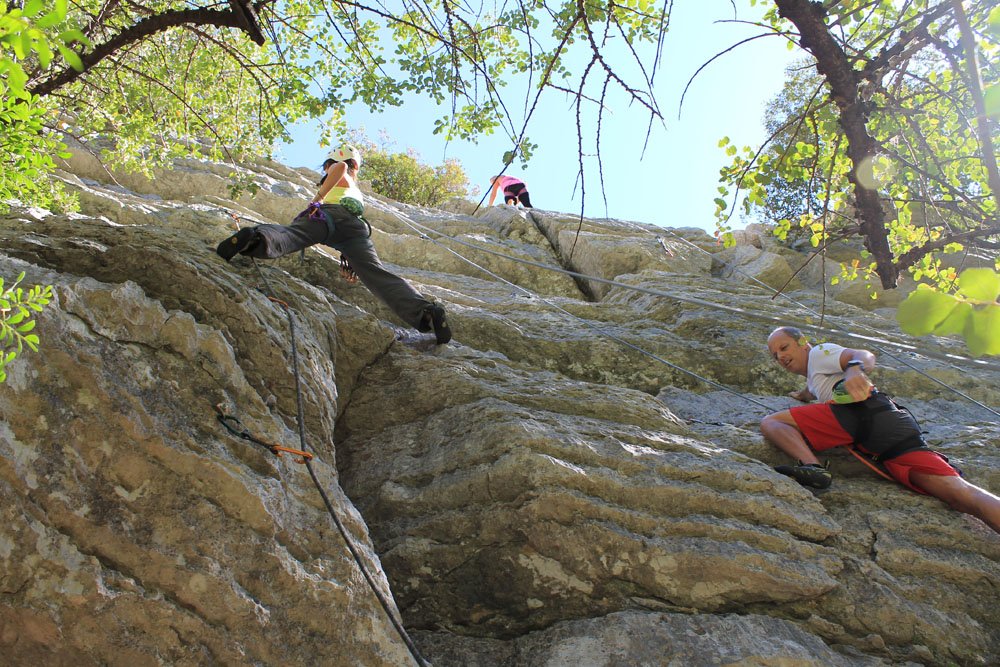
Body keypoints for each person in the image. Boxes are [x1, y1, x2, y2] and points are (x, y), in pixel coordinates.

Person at [760, 326, 999, 533]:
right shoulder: (814, 376)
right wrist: (802, 395)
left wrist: (854, 369)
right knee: (960, 496)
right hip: (887, 433)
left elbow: (863, 355)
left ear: (803, 342)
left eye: (784, 347)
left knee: (772, 422)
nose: (780, 356)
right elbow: (813, 389)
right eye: (775, 355)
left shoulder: (820, 353)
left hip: (860, 415)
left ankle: (813, 468)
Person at [215, 144, 452, 344]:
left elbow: (340, 168)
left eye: (327, 166)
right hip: (355, 231)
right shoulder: (353, 188)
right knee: (377, 274)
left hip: (327, 215)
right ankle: (426, 312)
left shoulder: (339, 170)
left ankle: (254, 239)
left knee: (293, 235)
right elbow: (344, 188)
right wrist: (349, 258)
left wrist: (316, 200)